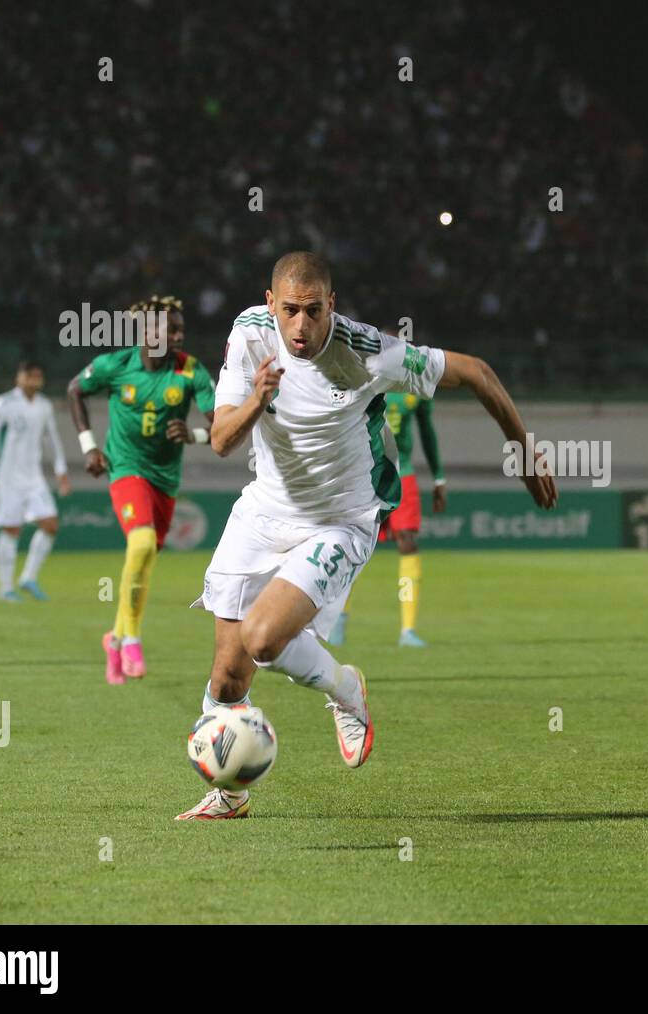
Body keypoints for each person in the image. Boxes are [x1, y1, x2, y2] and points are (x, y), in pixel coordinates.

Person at [176, 252, 556, 820]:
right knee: (228, 678)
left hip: (341, 519)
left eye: (312, 311)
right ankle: (230, 794)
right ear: (270, 302)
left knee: (261, 641)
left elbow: (477, 371)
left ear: (332, 303)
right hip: (262, 510)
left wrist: (522, 448)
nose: (299, 327)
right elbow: (223, 441)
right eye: (288, 311)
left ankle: (346, 689)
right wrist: (258, 397)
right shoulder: (250, 334)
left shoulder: (369, 352)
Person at [67, 295, 216, 684]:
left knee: (145, 558)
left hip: (165, 479)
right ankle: (132, 637)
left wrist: (195, 434)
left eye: (182, 328)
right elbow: (74, 391)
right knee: (142, 544)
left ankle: (114, 638)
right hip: (125, 467)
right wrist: (89, 447)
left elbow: (223, 426)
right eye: (174, 328)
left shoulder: (190, 370)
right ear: (149, 333)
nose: (181, 335)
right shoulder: (116, 365)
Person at [324, 379, 447, 648]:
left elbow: (427, 432)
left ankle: (408, 630)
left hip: (403, 475)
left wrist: (438, 478)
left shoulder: (414, 389)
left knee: (407, 541)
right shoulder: (362, 379)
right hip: (365, 475)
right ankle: (339, 620)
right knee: (352, 545)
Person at [0, 361, 69, 601]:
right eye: (29, 375)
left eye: (38, 375)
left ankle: (28, 577)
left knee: (50, 524)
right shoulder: (4, 404)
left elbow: (52, 439)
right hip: (6, 478)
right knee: (12, 529)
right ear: (19, 378)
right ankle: (6, 588)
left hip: (34, 477)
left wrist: (61, 470)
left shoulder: (45, 405)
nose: (33, 379)